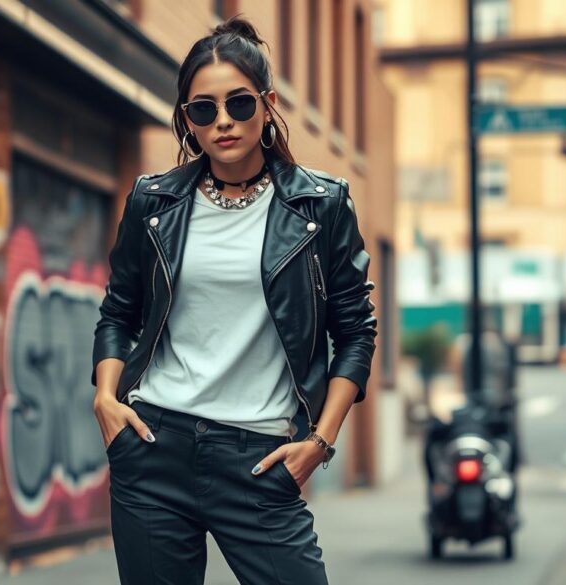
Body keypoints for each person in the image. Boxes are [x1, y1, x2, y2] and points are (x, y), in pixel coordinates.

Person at [91, 16, 377, 585]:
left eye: (239, 104)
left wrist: (321, 442)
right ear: (187, 120)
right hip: (154, 448)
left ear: (268, 104)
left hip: (259, 457)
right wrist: (105, 398)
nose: (223, 122)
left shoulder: (320, 207)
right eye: (203, 109)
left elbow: (356, 332)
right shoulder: (154, 203)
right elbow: (119, 311)